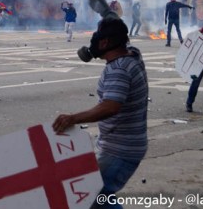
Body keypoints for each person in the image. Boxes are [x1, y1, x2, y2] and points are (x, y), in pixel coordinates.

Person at [53, 17, 148, 209]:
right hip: (124, 145)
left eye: (97, 37)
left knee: (92, 197)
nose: (94, 42)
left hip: (120, 149)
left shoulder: (118, 69)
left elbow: (110, 106)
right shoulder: (133, 55)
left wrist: (72, 118)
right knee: (100, 197)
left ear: (105, 42)